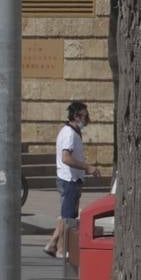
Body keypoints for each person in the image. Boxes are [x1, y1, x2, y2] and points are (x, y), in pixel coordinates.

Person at [46, 101, 97, 263]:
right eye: (85, 115)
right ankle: (61, 249)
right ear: (76, 116)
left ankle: (51, 244)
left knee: (66, 214)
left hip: (71, 179)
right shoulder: (68, 133)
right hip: (69, 180)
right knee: (68, 217)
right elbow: (66, 157)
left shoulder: (72, 132)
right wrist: (87, 167)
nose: (87, 118)